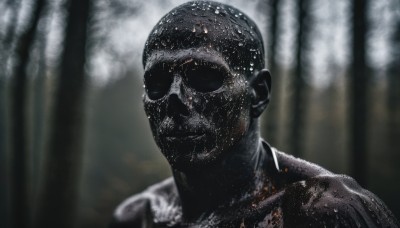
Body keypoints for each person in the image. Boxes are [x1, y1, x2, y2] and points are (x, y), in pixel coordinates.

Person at [110, 1, 399, 227]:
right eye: (157, 83)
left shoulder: (322, 211)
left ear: (258, 94)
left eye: (204, 78)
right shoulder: (137, 217)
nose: (175, 100)